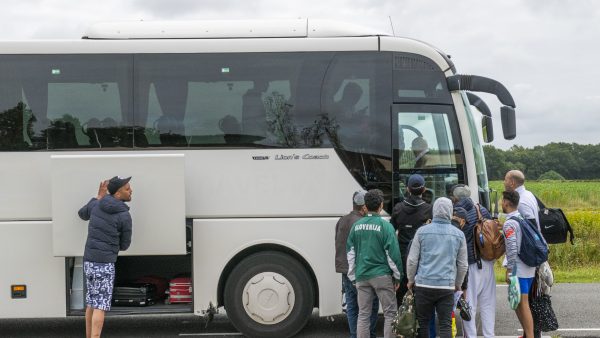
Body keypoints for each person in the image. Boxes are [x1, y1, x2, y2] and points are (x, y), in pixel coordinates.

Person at [78, 176, 133, 338]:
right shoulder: (124, 215)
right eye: (127, 189)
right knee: (100, 306)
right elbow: (125, 244)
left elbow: (82, 214)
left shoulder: (97, 205)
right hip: (105, 263)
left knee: (91, 303)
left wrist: (98, 196)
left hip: (89, 260)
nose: (131, 191)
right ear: (117, 193)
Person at [406, 197, 468, 338]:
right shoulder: (459, 234)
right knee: (445, 324)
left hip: (423, 284)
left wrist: (410, 280)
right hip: (446, 286)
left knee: (423, 323)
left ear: (433, 211)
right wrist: (458, 284)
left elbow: (412, 260)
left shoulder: (421, 232)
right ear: (450, 211)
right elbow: (463, 265)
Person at [347, 189, 403, 338]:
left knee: (363, 314)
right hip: (382, 276)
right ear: (381, 205)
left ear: (365, 205)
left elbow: (350, 253)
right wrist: (398, 277)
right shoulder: (386, 226)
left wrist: (353, 276)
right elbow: (393, 255)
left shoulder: (356, 226)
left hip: (361, 275)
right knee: (390, 313)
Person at [450, 184, 496, 338]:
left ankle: (471, 336)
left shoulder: (457, 213)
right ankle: (489, 334)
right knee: (488, 304)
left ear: (455, 197)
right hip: (487, 262)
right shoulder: (481, 210)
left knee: (469, 305)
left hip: (469, 265)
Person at [335, 190, 379, 338]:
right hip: (359, 271)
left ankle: (355, 334)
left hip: (344, 269)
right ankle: (369, 334)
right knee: (370, 305)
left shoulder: (342, 220)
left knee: (352, 306)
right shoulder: (362, 223)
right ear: (364, 207)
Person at [390, 174, 432, 305]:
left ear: (407, 189)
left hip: (402, 254)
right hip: (421, 255)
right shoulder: (428, 209)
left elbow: (391, 230)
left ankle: (403, 321)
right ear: (424, 190)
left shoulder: (398, 208)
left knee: (402, 292)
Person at [501, 190, 536, 338]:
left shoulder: (510, 224)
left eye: (502, 200)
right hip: (529, 267)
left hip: (519, 269)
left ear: (507, 203)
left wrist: (510, 270)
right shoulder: (521, 218)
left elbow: (512, 248)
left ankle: (530, 335)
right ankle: (526, 334)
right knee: (518, 303)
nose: (500, 203)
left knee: (523, 304)